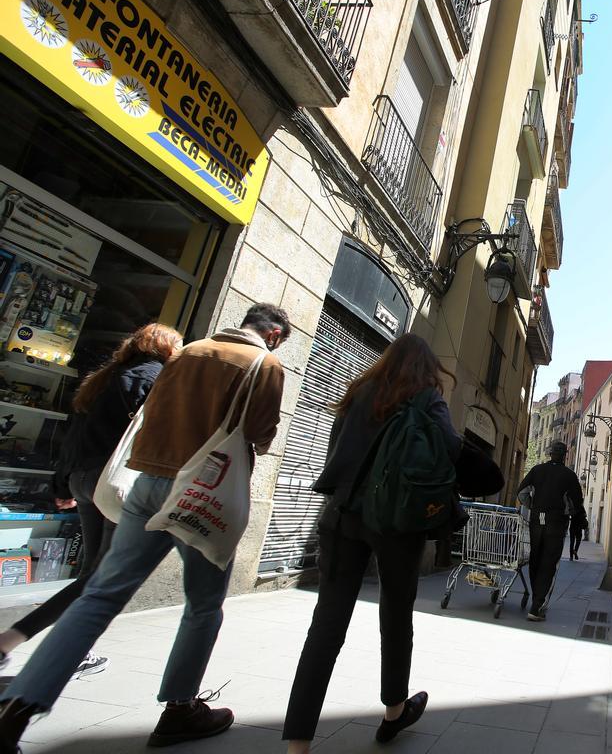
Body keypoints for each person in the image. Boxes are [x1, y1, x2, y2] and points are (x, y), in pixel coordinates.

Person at [0, 303, 289, 752]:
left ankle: (19, 706)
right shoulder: (264, 363)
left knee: (100, 595)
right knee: (204, 605)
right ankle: (179, 710)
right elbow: (261, 433)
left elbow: (150, 413)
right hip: (202, 494)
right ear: (272, 334)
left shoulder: (189, 351)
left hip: (147, 483)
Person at [282, 333, 460, 753]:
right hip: (396, 521)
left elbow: (335, 452)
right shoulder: (426, 397)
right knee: (396, 617)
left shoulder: (358, 391)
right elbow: (450, 449)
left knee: (325, 627)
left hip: (342, 517)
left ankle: (297, 743)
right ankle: (394, 713)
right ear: (426, 367)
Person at [0, 323, 183, 678]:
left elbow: (74, 436)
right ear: (165, 347)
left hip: (84, 479)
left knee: (92, 572)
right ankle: (15, 640)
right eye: (178, 344)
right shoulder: (155, 378)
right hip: (115, 483)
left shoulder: (105, 377)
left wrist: (63, 484)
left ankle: (74, 649)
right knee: (104, 576)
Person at [516, 442, 584, 621]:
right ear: (565, 456)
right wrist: (567, 513)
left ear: (549, 453)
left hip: (536, 521)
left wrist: (534, 507)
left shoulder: (537, 470)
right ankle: (537, 606)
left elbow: (522, 493)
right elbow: (576, 503)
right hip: (556, 523)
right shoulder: (569, 476)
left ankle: (535, 598)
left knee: (535, 559)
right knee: (549, 563)